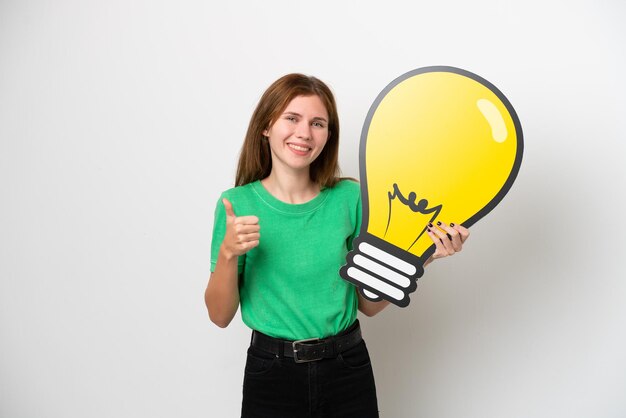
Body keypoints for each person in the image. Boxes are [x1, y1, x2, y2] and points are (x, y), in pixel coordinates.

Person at [204, 73, 469, 418]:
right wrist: (228, 254)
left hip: (347, 368)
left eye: (318, 123)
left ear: (328, 136)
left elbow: (368, 305)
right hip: (272, 374)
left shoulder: (350, 198)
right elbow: (219, 316)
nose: (304, 133)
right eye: (292, 118)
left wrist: (426, 256)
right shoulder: (236, 204)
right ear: (266, 126)